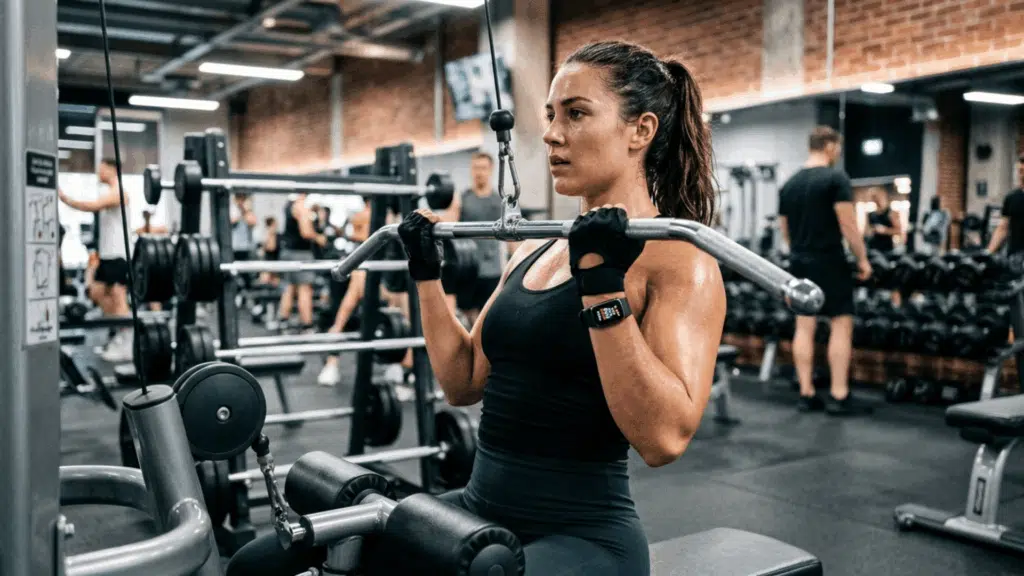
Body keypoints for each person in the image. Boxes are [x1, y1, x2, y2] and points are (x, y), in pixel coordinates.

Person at [395, 41, 723, 575]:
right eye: (551, 114)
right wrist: (427, 276)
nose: (551, 132)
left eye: (576, 113)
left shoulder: (678, 261)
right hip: (479, 514)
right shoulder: (533, 248)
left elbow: (664, 439)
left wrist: (601, 287)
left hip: (584, 538)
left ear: (640, 131)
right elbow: (462, 383)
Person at [778, 126, 872, 415]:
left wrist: (800, 252)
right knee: (840, 324)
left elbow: (785, 230)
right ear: (830, 146)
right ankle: (839, 394)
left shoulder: (790, 184)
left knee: (804, 326)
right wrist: (863, 260)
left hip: (799, 262)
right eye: (838, 148)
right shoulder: (835, 178)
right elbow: (848, 225)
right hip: (830, 260)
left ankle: (806, 393)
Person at [58, 158, 134, 362]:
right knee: (97, 292)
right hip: (108, 255)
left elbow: (91, 206)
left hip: (119, 254)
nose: (99, 173)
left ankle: (127, 341)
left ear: (112, 170)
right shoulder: (110, 192)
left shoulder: (119, 192)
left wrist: (64, 198)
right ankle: (120, 334)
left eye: (102, 169)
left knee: (118, 297)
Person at [447, 153, 506, 325]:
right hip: (468, 269)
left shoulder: (500, 201)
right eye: (475, 168)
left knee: (490, 317)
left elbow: (513, 242)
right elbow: (448, 223)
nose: (479, 172)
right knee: (468, 317)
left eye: (483, 168)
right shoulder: (462, 199)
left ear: (491, 170)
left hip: (492, 270)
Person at [277, 193, 328, 331]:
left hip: (287, 251)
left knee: (289, 287)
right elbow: (306, 232)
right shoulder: (301, 206)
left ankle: (283, 321)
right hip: (300, 253)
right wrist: (319, 238)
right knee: (305, 289)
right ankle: (307, 325)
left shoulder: (289, 204)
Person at [985, 154, 1024, 256]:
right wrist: (988, 253)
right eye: (1020, 171)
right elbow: (1002, 229)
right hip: (1016, 258)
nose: (1021, 175)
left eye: (1023, 171)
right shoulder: (1011, 198)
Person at [865, 188, 901, 253]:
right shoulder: (871, 215)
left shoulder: (891, 213)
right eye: (874, 198)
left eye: (877, 197)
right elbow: (868, 231)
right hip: (873, 248)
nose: (876, 200)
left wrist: (885, 230)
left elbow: (899, 231)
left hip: (887, 249)